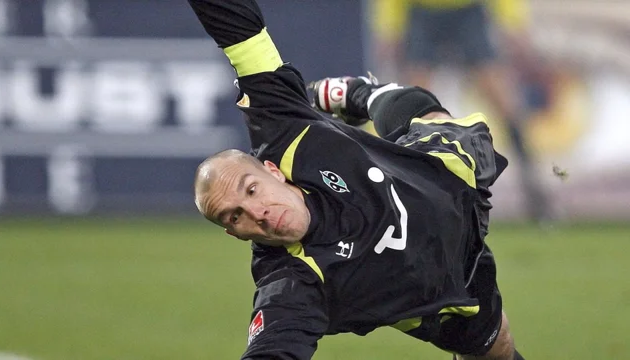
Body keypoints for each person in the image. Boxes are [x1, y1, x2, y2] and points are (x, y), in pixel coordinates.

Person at [188, 0, 525, 359]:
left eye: (252, 190)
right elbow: (274, 347)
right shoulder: (290, 281)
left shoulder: (284, 134)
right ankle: (343, 95)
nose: (258, 213)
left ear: (272, 170)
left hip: (445, 178)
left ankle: (355, 94)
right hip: (436, 291)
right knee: (497, 347)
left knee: (419, 106)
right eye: (235, 216)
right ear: (234, 234)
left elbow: (240, 34)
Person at [371, 0, 550, 222]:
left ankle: (534, 186)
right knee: (413, 109)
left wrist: (513, 23)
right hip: (421, 13)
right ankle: (403, 194)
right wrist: (389, 27)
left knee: (503, 101)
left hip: (468, 12)